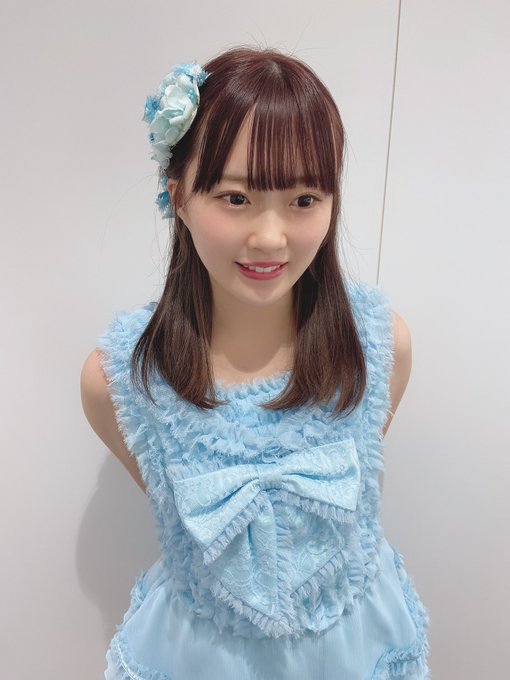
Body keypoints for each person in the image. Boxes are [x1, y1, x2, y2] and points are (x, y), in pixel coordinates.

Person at [80, 45, 431, 679]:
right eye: (236, 198)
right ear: (178, 196)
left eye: (305, 199)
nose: (271, 237)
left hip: (358, 651)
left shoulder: (380, 348)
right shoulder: (120, 383)